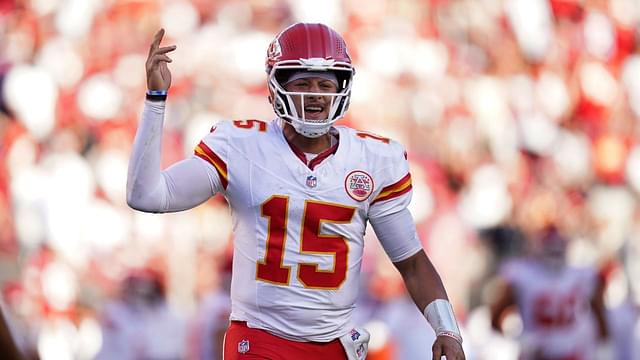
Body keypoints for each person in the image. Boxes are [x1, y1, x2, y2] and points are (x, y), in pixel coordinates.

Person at [127, 23, 465, 360]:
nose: (315, 94)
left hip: (335, 345)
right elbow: (149, 196)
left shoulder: (373, 159)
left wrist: (446, 329)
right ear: (275, 88)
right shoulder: (241, 146)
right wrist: (156, 100)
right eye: (303, 83)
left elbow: (412, 262)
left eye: (324, 83)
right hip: (260, 339)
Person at [490, 225, 610, 360]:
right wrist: (517, 340)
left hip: (572, 354)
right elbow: (495, 317)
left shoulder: (579, 274)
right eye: (551, 247)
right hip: (537, 355)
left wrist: (603, 345)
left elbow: (599, 311)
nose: (555, 252)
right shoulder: (523, 274)